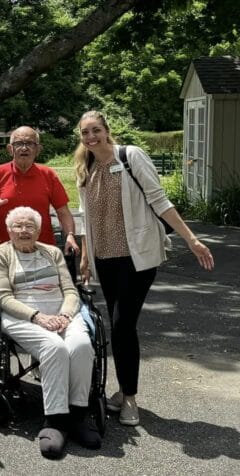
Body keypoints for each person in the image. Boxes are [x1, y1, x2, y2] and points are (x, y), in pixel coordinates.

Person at [73, 110, 214, 426]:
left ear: (107, 131)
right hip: (105, 258)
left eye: (96, 130)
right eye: (85, 132)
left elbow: (159, 200)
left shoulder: (130, 157)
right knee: (117, 324)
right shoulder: (86, 166)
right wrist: (84, 255)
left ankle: (130, 400)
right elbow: (84, 216)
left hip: (137, 256)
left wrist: (192, 240)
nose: (91, 137)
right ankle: (124, 391)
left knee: (123, 325)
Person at [0, 206, 101, 459]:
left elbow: (70, 290)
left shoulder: (51, 252)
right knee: (54, 347)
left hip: (61, 314)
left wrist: (64, 315)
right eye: (18, 226)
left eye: (30, 225)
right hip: (22, 317)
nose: (24, 230)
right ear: (9, 230)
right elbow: (3, 297)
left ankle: (78, 415)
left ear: (39, 230)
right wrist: (37, 317)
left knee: (82, 345)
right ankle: (55, 421)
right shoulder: (2, 253)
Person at [0, 126, 79, 254]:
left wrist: (70, 236)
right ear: (10, 149)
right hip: (6, 251)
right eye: (18, 143)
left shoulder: (48, 174)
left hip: (43, 249)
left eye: (29, 143)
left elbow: (63, 212)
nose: (24, 148)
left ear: (38, 149)